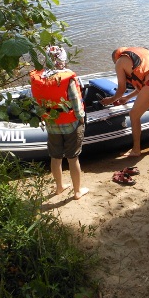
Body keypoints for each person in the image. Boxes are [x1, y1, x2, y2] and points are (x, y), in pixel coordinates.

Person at [29, 46, 89, 200]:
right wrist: (81, 117)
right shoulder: (67, 78)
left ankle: (59, 187)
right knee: (73, 158)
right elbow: (75, 100)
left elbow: (36, 102)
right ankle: (77, 191)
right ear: (63, 60)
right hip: (70, 123)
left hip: (51, 122)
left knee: (55, 157)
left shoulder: (39, 78)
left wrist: (44, 117)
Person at [100, 47, 149, 157]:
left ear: (115, 58)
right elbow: (143, 84)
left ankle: (136, 150)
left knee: (134, 114)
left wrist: (111, 99)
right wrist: (127, 98)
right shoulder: (138, 55)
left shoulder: (119, 62)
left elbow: (121, 89)